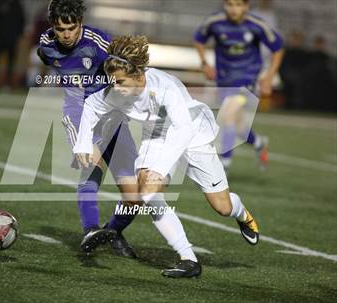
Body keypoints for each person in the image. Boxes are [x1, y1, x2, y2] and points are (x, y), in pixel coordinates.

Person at [74, 35, 259, 278]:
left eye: (120, 82)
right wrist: (83, 144)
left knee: (222, 207)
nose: (115, 88)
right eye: (113, 81)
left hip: (193, 134)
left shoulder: (164, 88)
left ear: (139, 74)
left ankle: (241, 213)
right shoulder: (117, 89)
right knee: (149, 192)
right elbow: (91, 106)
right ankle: (188, 259)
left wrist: (160, 168)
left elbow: (182, 130)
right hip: (158, 136)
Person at [37, 0, 139, 258]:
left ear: (81, 23)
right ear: (53, 27)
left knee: (135, 195)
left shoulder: (100, 42)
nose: (67, 34)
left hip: (111, 115)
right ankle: (90, 230)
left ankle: (113, 232)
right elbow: (47, 61)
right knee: (90, 166)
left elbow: (128, 70)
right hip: (79, 115)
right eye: (61, 29)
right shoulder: (46, 46)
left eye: (72, 27)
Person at [194, 0, 284, 171]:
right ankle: (259, 143)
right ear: (224, 5)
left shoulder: (257, 25)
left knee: (228, 115)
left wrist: (269, 77)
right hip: (224, 79)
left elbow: (278, 48)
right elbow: (199, 39)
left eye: (238, 4)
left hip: (247, 78)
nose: (234, 9)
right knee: (238, 126)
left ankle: (223, 165)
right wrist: (204, 63)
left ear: (246, 6)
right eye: (230, 4)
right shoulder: (214, 22)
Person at [0, 0, 25, 87]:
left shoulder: (17, 5)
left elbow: (22, 20)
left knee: (11, 62)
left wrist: (18, 35)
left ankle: (8, 83)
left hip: (12, 39)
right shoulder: (0, 3)